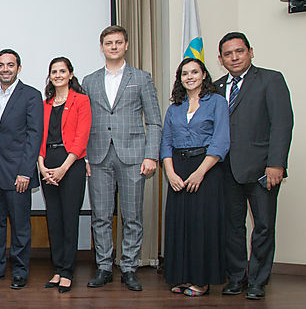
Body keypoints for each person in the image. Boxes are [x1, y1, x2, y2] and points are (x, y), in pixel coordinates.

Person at [82, 25, 161, 292]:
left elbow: (154, 121)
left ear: (126, 45)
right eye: (108, 43)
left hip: (134, 157)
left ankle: (128, 267)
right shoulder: (89, 80)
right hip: (98, 157)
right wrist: (84, 157)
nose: (113, 47)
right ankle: (104, 266)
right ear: (101, 47)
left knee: (132, 216)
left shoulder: (142, 78)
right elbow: (83, 123)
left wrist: (151, 155)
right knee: (101, 216)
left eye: (118, 42)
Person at [214, 32, 293, 300]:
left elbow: (282, 124)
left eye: (239, 51)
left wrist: (276, 164)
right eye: (228, 54)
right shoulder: (215, 87)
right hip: (225, 170)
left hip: (262, 170)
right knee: (232, 227)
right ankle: (237, 278)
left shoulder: (271, 80)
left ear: (250, 52)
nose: (234, 57)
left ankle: (258, 280)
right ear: (221, 59)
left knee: (263, 226)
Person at [161, 58, 229, 297]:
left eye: (194, 72)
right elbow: (166, 143)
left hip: (207, 169)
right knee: (180, 224)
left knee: (203, 225)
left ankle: (201, 281)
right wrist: (170, 173)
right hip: (177, 169)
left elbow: (221, 140)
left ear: (203, 75)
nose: (189, 77)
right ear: (180, 79)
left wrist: (200, 172)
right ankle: (182, 277)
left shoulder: (217, 102)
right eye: (184, 74)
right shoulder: (174, 107)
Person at [0, 49, 43, 290]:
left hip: (18, 174)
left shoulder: (31, 96)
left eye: (10, 65)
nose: (5, 69)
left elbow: (34, 136)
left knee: (20, 226)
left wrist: (26, 171)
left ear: (18, 68)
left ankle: (19, 271)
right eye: (0, 65)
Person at [37, 57, 91, 293]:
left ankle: (68, 271)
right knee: (54, 220)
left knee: (70, 218)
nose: (58, 75)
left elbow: (81, 138)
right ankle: (58, 269)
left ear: (70, 74)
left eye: (62, 71)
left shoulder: (81, 100)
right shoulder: (45, 103)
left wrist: (63, 168)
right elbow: (39, 137)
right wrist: (41, 164)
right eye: (53, 71)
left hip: (71, 165)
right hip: (47, 164)